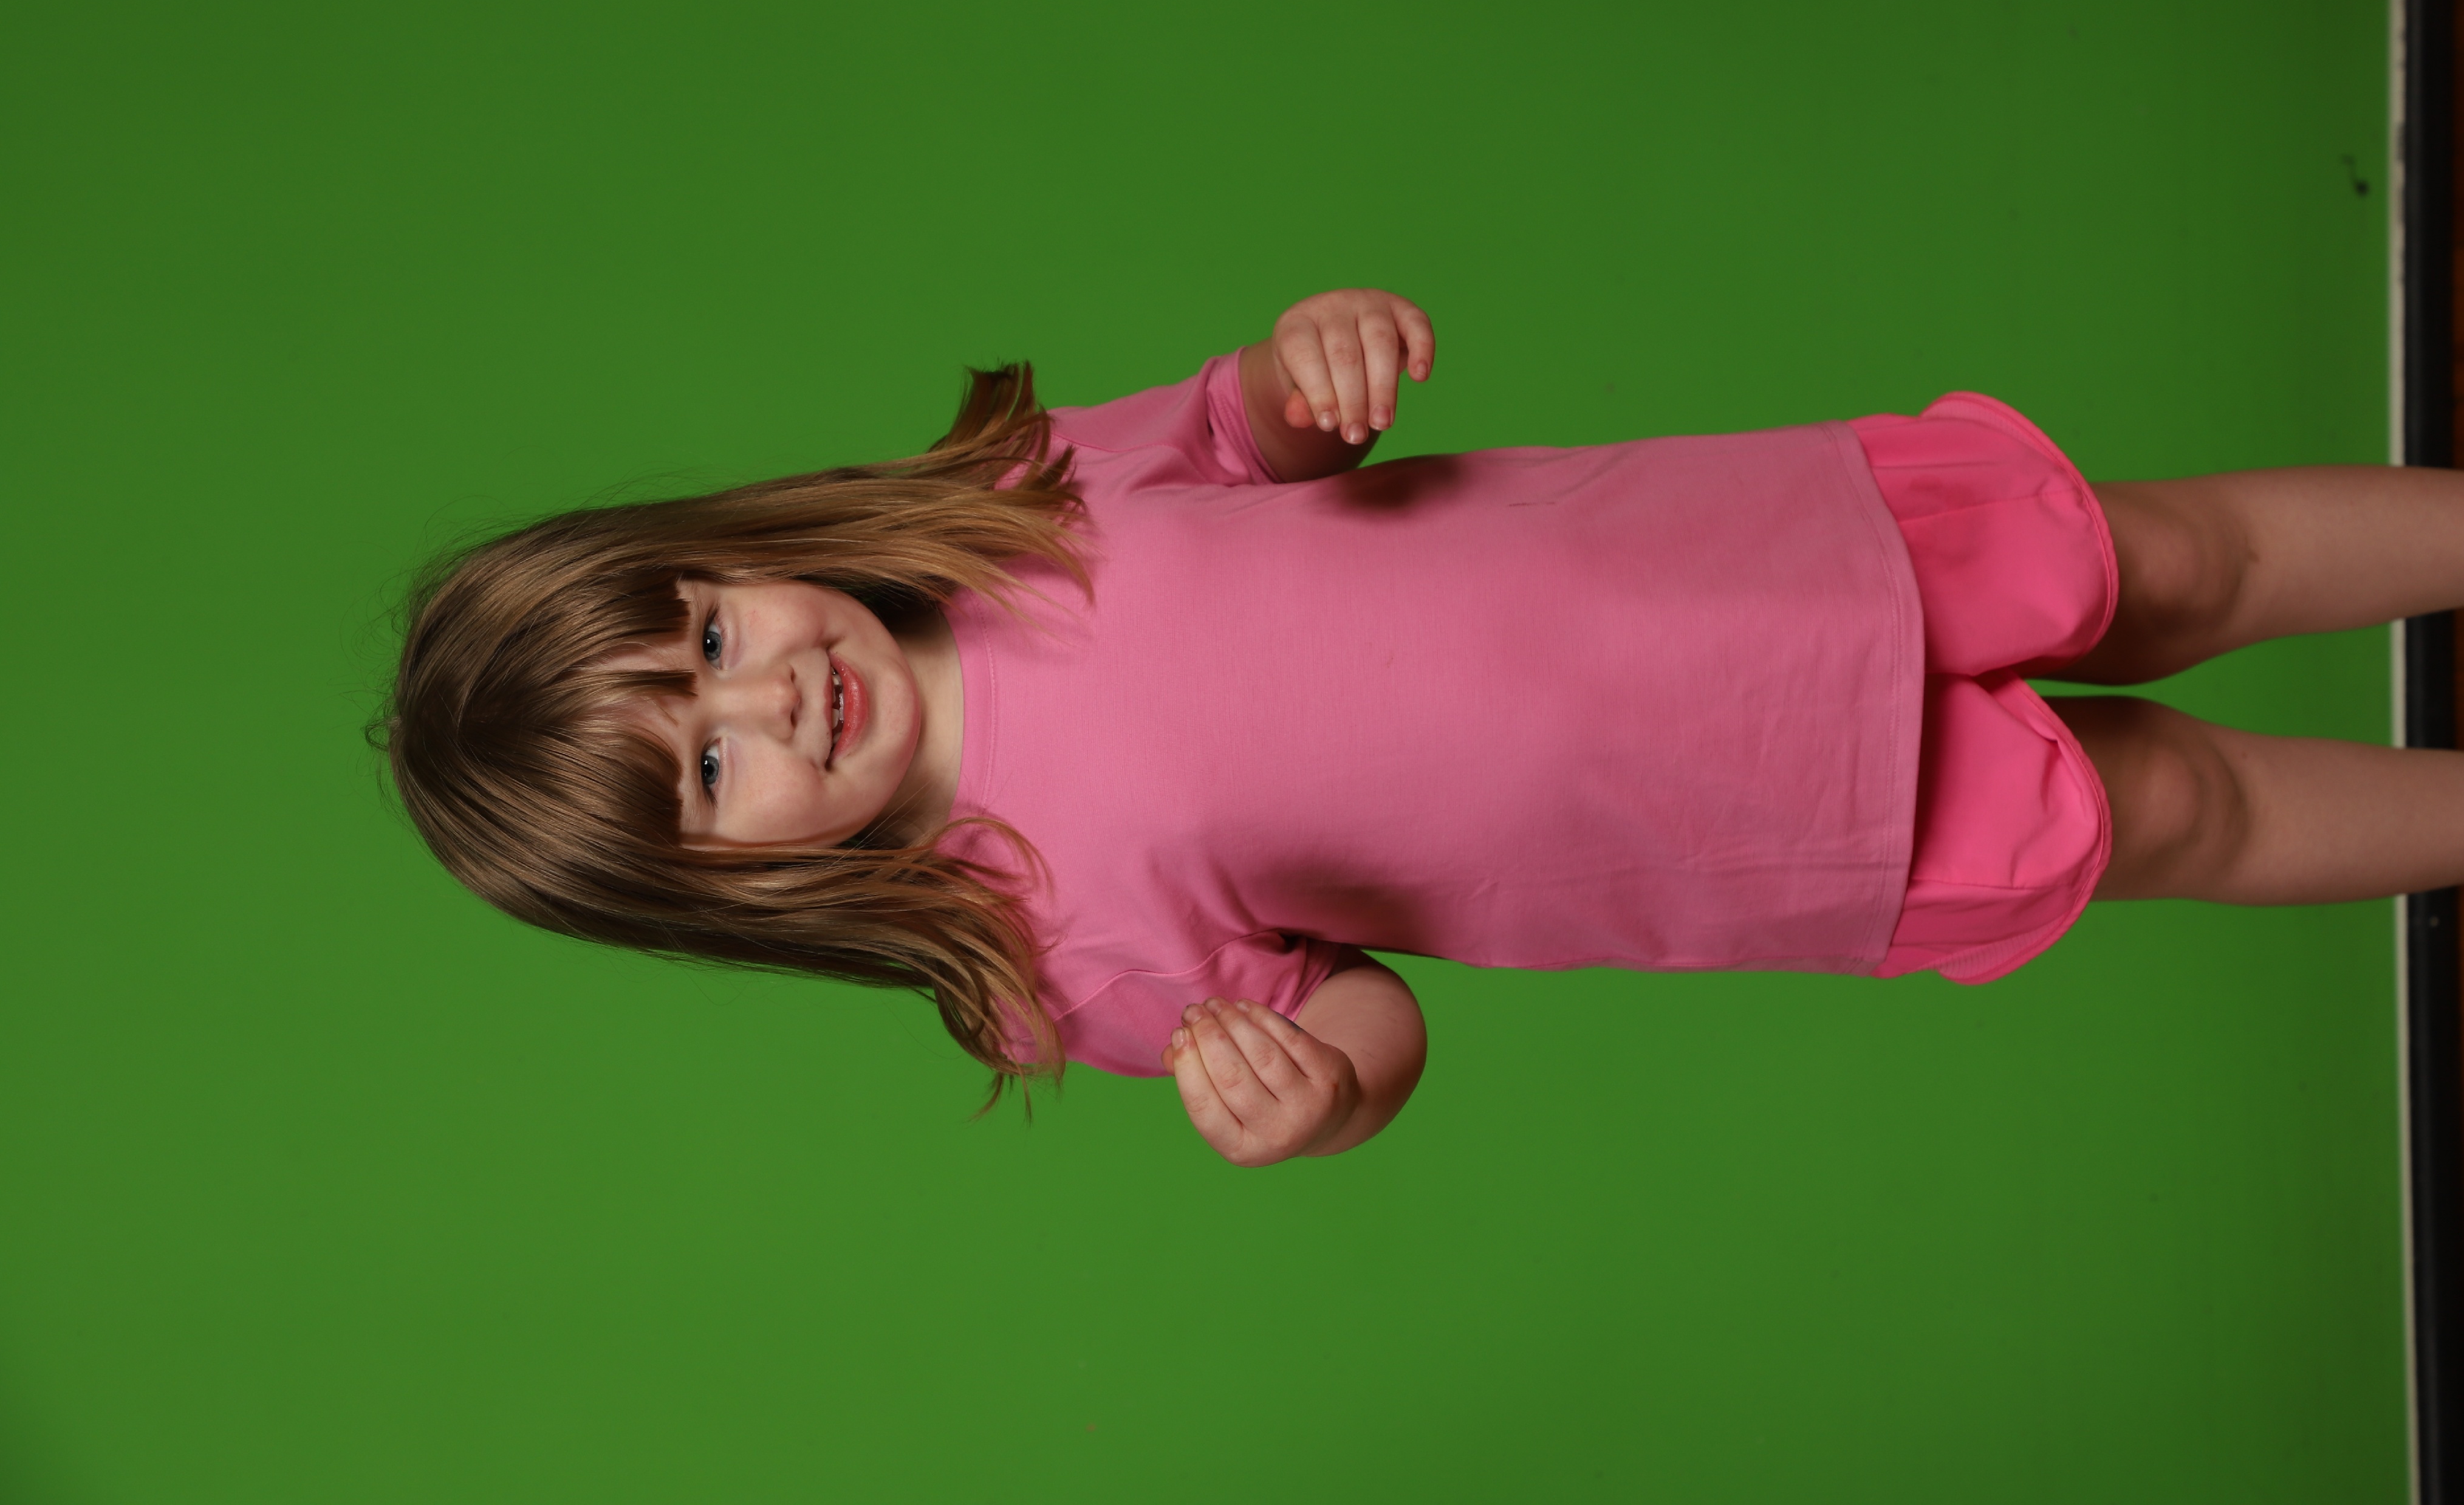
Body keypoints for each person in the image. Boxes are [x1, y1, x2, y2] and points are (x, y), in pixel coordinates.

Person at [378, 288, 2464, 1167]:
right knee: (2171, 807)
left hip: (1750, 561)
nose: (768, 692)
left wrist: (1315, 360)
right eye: (710, 763)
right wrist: (1321, 1101)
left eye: (710, 634)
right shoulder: (1041, 947)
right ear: (727, 884)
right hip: (1755, 818)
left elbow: (1250, 426)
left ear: (733, 555)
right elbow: (1360, 1015)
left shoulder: (1016, 507)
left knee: (2170, 559)